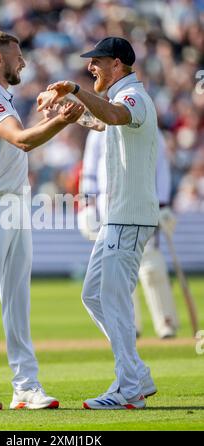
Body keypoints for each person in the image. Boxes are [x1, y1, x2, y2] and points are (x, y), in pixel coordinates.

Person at [0, 31, 84, 411]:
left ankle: (25, 385)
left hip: (15, 204)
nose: (22, 62)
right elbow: (22, 140)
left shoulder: (3, 97)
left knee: (17, 299)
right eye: (16, 56)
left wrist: (57, 113)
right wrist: (63, 121)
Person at [39, 37, 159, 410]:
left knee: (114, 300)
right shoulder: (122, 97)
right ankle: (136, 373)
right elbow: (107, 122)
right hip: (118, 218)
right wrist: (76, 114)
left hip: (129, 217)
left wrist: (75, 91)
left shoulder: (133, 97)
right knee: (93, 294)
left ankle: (129, 390)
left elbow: (117, 116)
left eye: (98, 61)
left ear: (119, 65)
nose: (91, 67)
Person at [79, 128, 179, 339]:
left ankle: (165, 322)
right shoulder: (99, 131)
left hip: (144, 204)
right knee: (117, 266)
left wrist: (163, 204)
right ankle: (129, 324)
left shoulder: (150, 128)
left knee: (151, 265)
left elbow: (161, 169)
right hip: (109, 207)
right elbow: (89, 169)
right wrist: (87, 205)